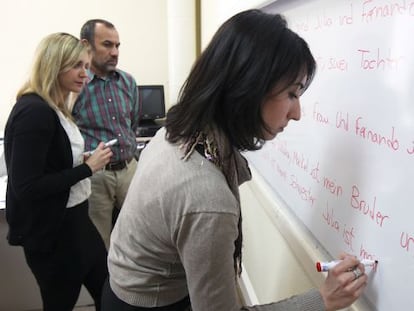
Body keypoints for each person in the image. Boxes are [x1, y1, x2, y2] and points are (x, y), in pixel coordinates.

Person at [103, 9, 368, 311]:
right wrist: (322, 299)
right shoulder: (205, 195)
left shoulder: (179, 131)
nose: (297, 113)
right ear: (250, 88)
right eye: (292, 94)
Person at [4, 33, 113, 310]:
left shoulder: (55, 107)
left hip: (76, 221)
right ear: (54, 64)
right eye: (77, 65)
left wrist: (80, 162)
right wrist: (87, 169)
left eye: (86, 66)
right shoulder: (34, 112)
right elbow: (27, 187)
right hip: (54, 233)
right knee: (61, 302)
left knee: (109, 291)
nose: (84, 75)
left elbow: (51, 161)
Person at [72, 19, 139, 249]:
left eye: (118, 46)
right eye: (107, 45)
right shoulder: (76, 85)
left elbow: (133, 123)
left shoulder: (127, 82)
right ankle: (108, 285)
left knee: (140, 232)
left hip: (129, 169)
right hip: (96, 176)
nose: (115, 52)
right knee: (99, 242)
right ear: (86, 46)